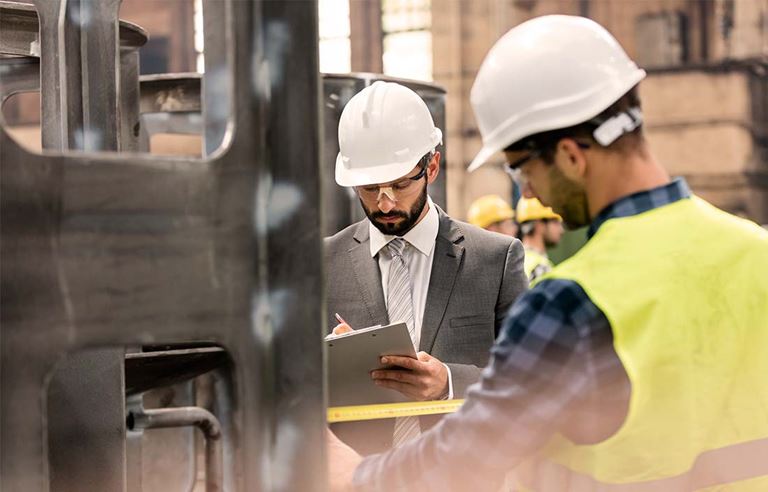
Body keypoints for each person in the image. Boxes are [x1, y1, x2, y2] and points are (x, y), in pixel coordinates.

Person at [329, 15, 768, 491]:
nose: (529, 190)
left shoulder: (572, 301)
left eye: (522, 168)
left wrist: (354, 477)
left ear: (572, 156)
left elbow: (469, 453)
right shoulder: (755, 252)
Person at [325, 81, 528, 456]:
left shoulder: (496, 260)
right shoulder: (324, 266)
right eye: (370, 188)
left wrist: (450, 382)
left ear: (431, 166)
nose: (385, 203)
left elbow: (531, 384)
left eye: (400, 184)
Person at [516, 197, 563, 281]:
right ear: (539, 224)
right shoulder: (540, 268)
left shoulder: (514, 261)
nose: (561, 230)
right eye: (555, 222)